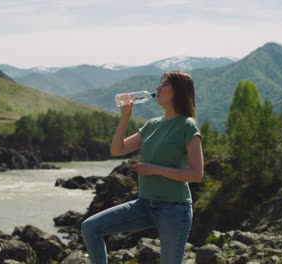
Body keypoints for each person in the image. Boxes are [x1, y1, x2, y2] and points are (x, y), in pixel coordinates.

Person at [80, 70, 204, 264]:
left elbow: (196, 174)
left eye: (164, 84)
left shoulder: (187, 125)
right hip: (144, 205)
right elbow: (117, 149)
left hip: (175, 209)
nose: (157, 88)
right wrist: (125, 118)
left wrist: (156, 169)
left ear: (178, 91)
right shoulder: (152, 125)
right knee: (90, 228)